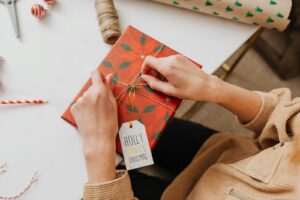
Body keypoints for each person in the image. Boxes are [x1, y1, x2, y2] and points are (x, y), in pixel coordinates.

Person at [71, 55, 300, 200]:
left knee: (74, 180)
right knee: (132, 126)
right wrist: (215, 88)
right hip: (224, 154)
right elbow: (289, 118)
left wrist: (99, 150)